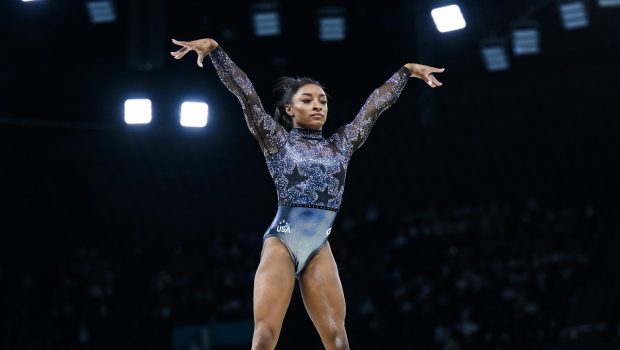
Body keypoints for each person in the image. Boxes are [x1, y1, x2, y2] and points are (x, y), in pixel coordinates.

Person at [170, 37, 444, 350]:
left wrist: (406, 71)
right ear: (289, 108)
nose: (317, 105)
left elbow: (374, 106)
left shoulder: (341, 143)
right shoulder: (276, 140)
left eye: (323, 101)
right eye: (308, 100)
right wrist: (217, 52)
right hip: (282, 243)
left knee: (339, 341)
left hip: (318, 247)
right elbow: (246, 95)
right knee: (264, 338)